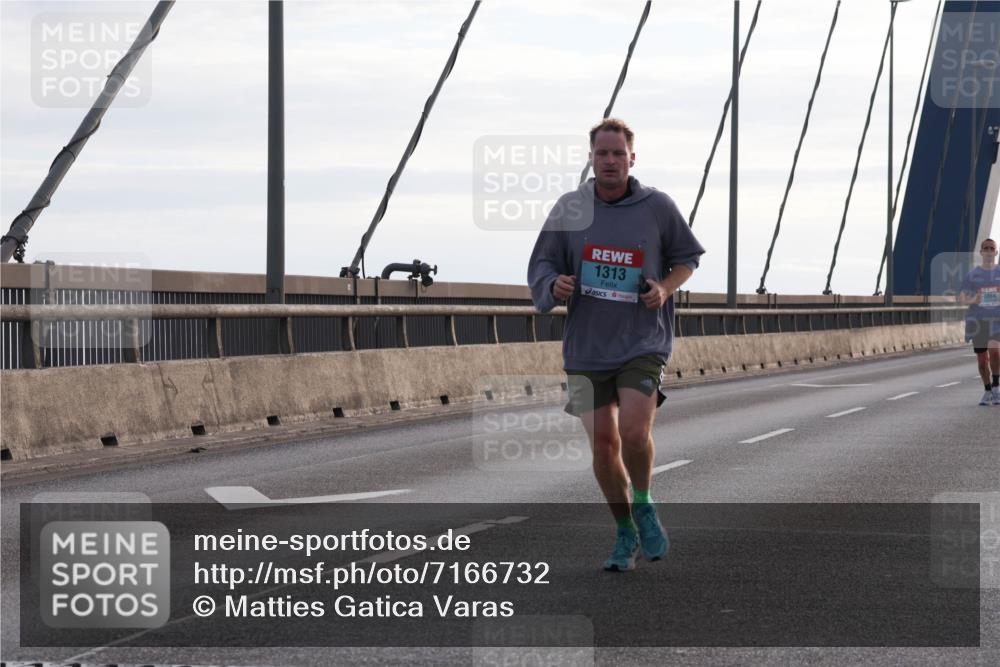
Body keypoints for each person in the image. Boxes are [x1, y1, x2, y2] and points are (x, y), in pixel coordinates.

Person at [528, 118, 705, 571]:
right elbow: (542, 266)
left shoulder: (657, 206)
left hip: (643, 340)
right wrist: (556, 285)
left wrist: (664, 289)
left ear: (632, 158)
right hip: (586, 347)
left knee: (632, 432)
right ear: (591, 158)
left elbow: (687, 258)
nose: (609, 161)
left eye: (617, 153)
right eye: (601, 153)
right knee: (603, 448)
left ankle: (643, 502)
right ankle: (625, 531)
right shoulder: (570, 208)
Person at [958, 237, 1000, 406]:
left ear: (996, 252)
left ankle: (996, 387)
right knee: (982, 361)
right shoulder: (972, 275)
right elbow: (961, 297)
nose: (989, 251)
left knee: (996, 352)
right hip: (978, 322)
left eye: (992, 248)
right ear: (981, 252)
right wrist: (975, 299)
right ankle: (987, 389)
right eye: (986, 248)